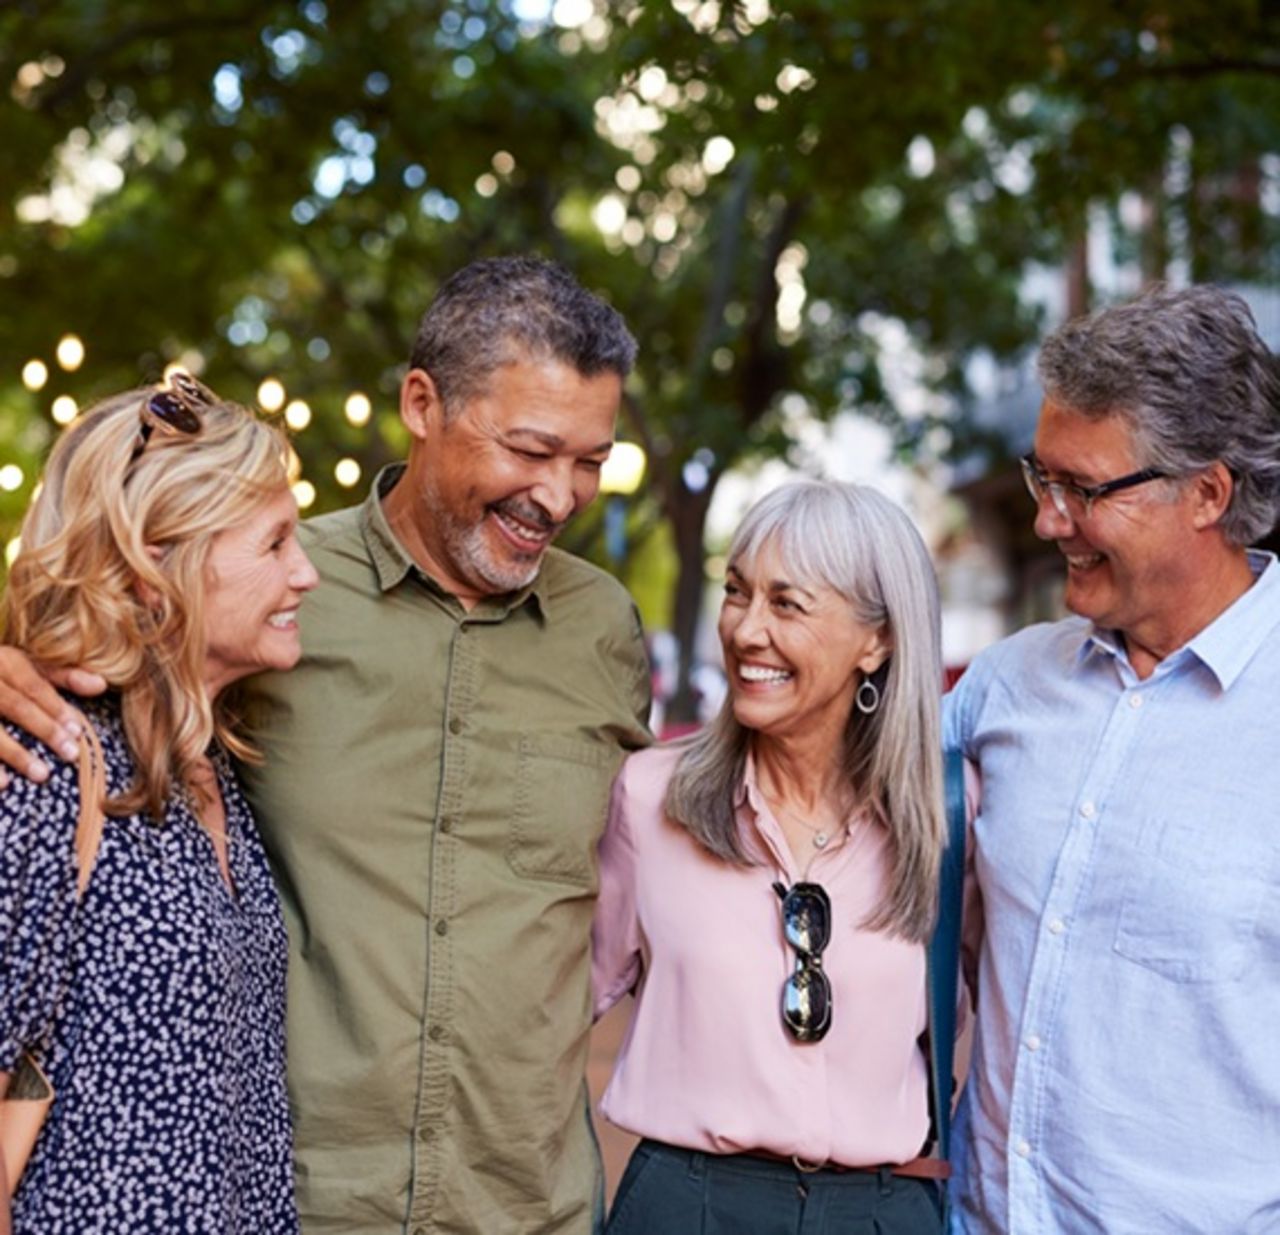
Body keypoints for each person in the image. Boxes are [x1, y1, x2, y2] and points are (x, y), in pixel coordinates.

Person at [0, 256, 652, 1234]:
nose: (559, 495)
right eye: (530, 448)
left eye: (590, 460)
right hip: (307, 1207)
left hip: (524, 1208)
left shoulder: (606, 633)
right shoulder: (268, 599)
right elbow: (118, 649)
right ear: (422, 404)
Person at [945, 284, 1280, 1233]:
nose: (1049, 521)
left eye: (1084, 490)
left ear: (1208, 493)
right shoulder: (1002, 687)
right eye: (1041, 479)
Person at [0, 375, 318, 1232]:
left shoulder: (210, 769)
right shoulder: (48, 769)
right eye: (276, 543)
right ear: (157, 568)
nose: (308, 572)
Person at [593, 479, 953, 1234]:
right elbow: (549, 1011)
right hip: (685, 1208)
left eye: (787, 604)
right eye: (737, 592)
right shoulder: (649, 798)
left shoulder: (948, 818)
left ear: (878, 640)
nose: (746, 630)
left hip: (883, 1213)